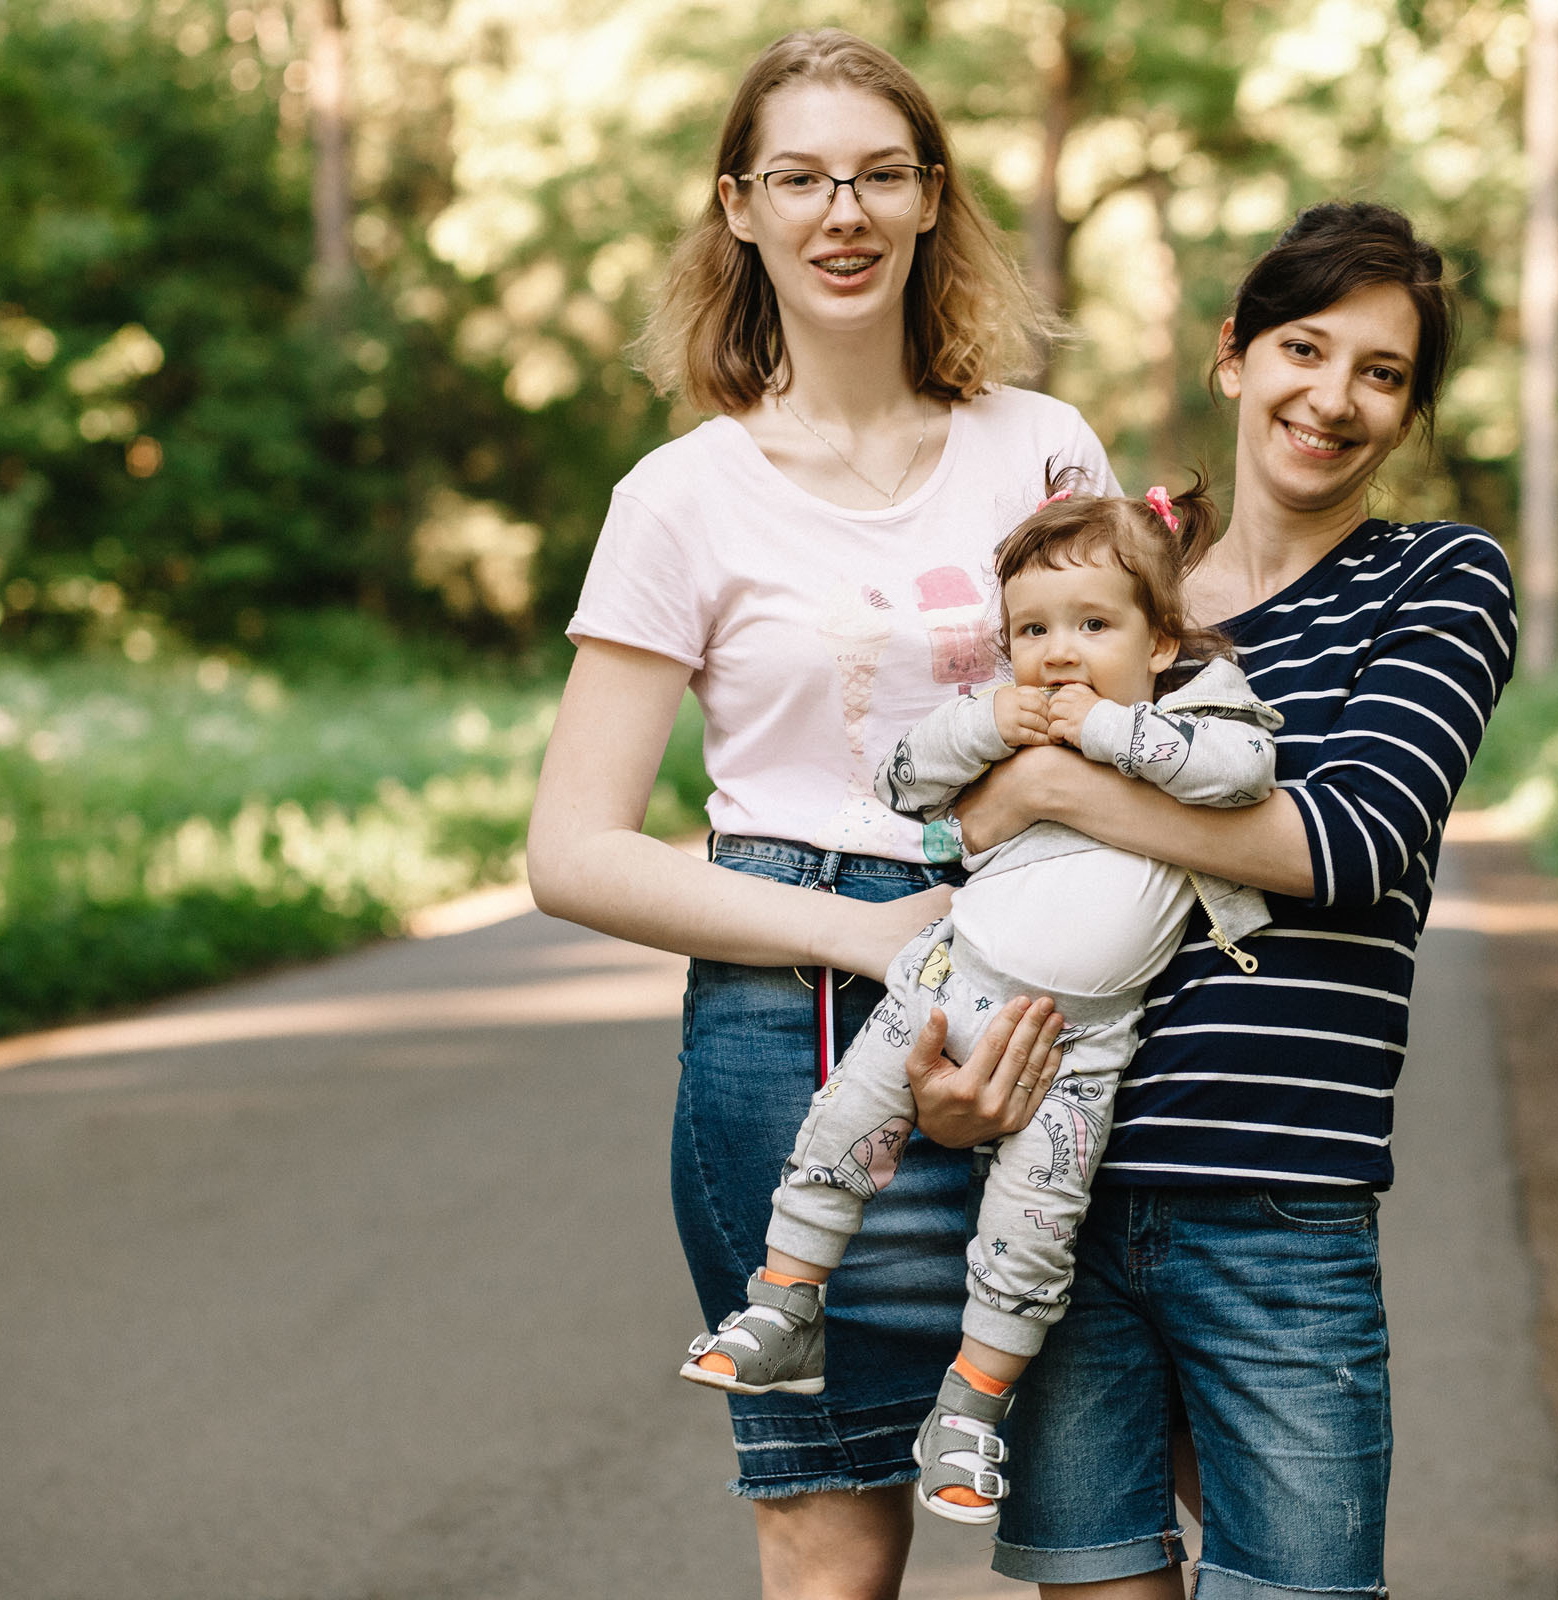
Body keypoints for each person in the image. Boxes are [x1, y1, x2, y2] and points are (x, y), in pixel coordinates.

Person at [525, 28, 1117, 1600]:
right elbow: (572, 851)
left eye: (877, 173)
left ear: (932, 198)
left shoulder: (1043, 450)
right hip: (789, 1028)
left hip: (1046, 991)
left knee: (1107, 1529)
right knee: (834, 1540)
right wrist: (864, 932)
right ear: (740, 207)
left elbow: (1135, 713)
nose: (839, 212)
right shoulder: (681, 497)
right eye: (799, 177)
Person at [950, 201, 1521, 1599]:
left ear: (1408, 409)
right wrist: (954, 1080)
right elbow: (972, 826)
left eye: (1381, 373)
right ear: (1233, 357)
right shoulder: (1122, 589)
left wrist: (1064, 789)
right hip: (1059, 1190)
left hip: (1280, 1202)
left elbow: (1352, 842)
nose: (1332, 399)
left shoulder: (1441, 579)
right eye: (1304, 349)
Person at [678, 478, 1284, 1527]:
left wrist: (1105, 732)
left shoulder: (1193, 714)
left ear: (1159, 641)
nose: (1060, 652)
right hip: (944, 982)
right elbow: (906, 781)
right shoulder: (1002, 726)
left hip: (1079, 1045)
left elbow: (1243, 773)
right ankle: (786, 1300)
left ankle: (972, 1403)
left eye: (1094, 624)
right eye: (1033, 631)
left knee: (1032, 1231)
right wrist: (986, 723)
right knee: (839, 1129)